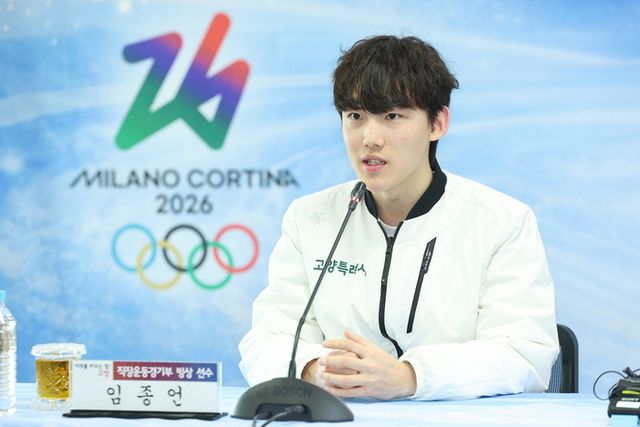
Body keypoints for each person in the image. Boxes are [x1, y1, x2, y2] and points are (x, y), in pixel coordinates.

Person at [239, 35, 559, 401]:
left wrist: (409, 377)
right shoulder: (310, 218)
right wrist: (315, 369)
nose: (370, 138)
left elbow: (522, 354)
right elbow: (267, 339)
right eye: (355, 117)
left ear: (437, 123)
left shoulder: (503, 222)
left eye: (392, 116)